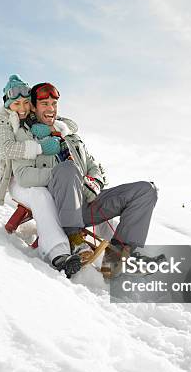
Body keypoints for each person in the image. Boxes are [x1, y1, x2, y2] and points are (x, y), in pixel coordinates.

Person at [11, 82, 159, 277]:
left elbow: (92, 166)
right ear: (33, 106)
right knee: (68, 168)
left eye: (53, 104)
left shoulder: (70, 135)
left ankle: (120, 256)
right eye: (44, 104)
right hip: (59, 206)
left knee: (146, 190)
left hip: (86, 203)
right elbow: (23, 175)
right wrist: (63, 175)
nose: (50, 109)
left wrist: (94, 183)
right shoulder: (25, 135)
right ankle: (74, 239)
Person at [0, 75, 81, 268]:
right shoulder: (3, 120)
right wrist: (39, 148)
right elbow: (5, 148)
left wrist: (64, 127)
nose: (22, 108)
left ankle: (110, 257)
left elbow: (57, 119)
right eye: (16, 104)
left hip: (40, 173)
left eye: (26, 103)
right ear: (8, 104)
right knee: (40, 195)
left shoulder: (32, 117)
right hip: (17, 178)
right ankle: (58, 252)